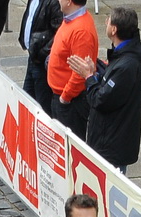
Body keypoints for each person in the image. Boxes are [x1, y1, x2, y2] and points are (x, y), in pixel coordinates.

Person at [70, 5, 141, 171]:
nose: (105, 22)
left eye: (108, 20)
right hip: (110, 139)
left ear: (114, 29)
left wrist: (89, 77)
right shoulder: (123, 54)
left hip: (112, 144)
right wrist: (98, 72)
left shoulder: (126, 65)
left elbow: (101, 99)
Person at [46, 0, 95, 136]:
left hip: (70, 103)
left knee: (69, 145)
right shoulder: (70, 19)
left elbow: (81, 73)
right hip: (61, 97)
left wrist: (65, 98)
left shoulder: (81, 31)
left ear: (69, 2)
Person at [15, 0, 60, 108]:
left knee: (42, 105)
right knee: (26, 102)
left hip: (42, 62)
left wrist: (42, 52)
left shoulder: (54, 3)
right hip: (33, 57)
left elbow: (59, 33)